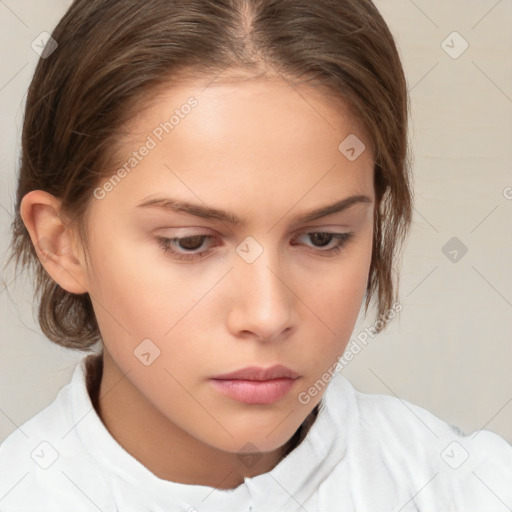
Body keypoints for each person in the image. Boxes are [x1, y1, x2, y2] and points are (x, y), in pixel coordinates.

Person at [1, 0, 511, 510]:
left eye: (322, 238)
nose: (268, 316)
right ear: (61, 242)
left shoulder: (468, 489)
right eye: (190, 242)